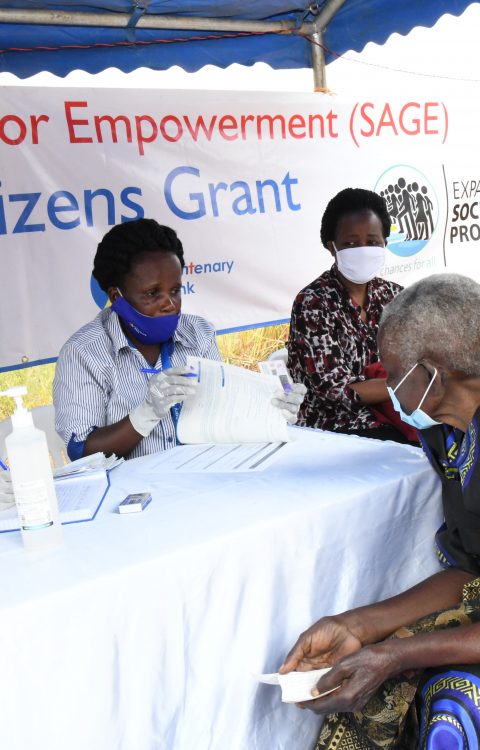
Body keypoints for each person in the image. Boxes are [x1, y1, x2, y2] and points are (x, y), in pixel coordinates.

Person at [280, 273, 480, 749]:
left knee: (454, 705)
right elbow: (470, 570)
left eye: (391, 373)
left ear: (431, 377)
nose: (385, 387)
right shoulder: (445, 433)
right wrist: (357, 626)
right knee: (383, 683)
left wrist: (396, 654)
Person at [54, 219, 305, 460]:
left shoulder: (198, 333)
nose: (170, 304)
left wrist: (270, 410)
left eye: (175, 291)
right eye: (152, 293)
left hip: (204, 475)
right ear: (116, 297)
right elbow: (81, 450)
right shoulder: (84, 352)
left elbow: (221, 417)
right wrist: (145, 414)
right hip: (132, 487)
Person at [287, 187, 410, 443]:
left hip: (399, 413)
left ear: (385, 243)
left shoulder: (395, 296)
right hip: (335, 425)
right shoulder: (313, 303)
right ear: (331, 247)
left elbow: (422, 361)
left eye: (372, 242)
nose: (363, 250)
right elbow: (335, 391)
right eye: (351, 243)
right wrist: (404, 385)